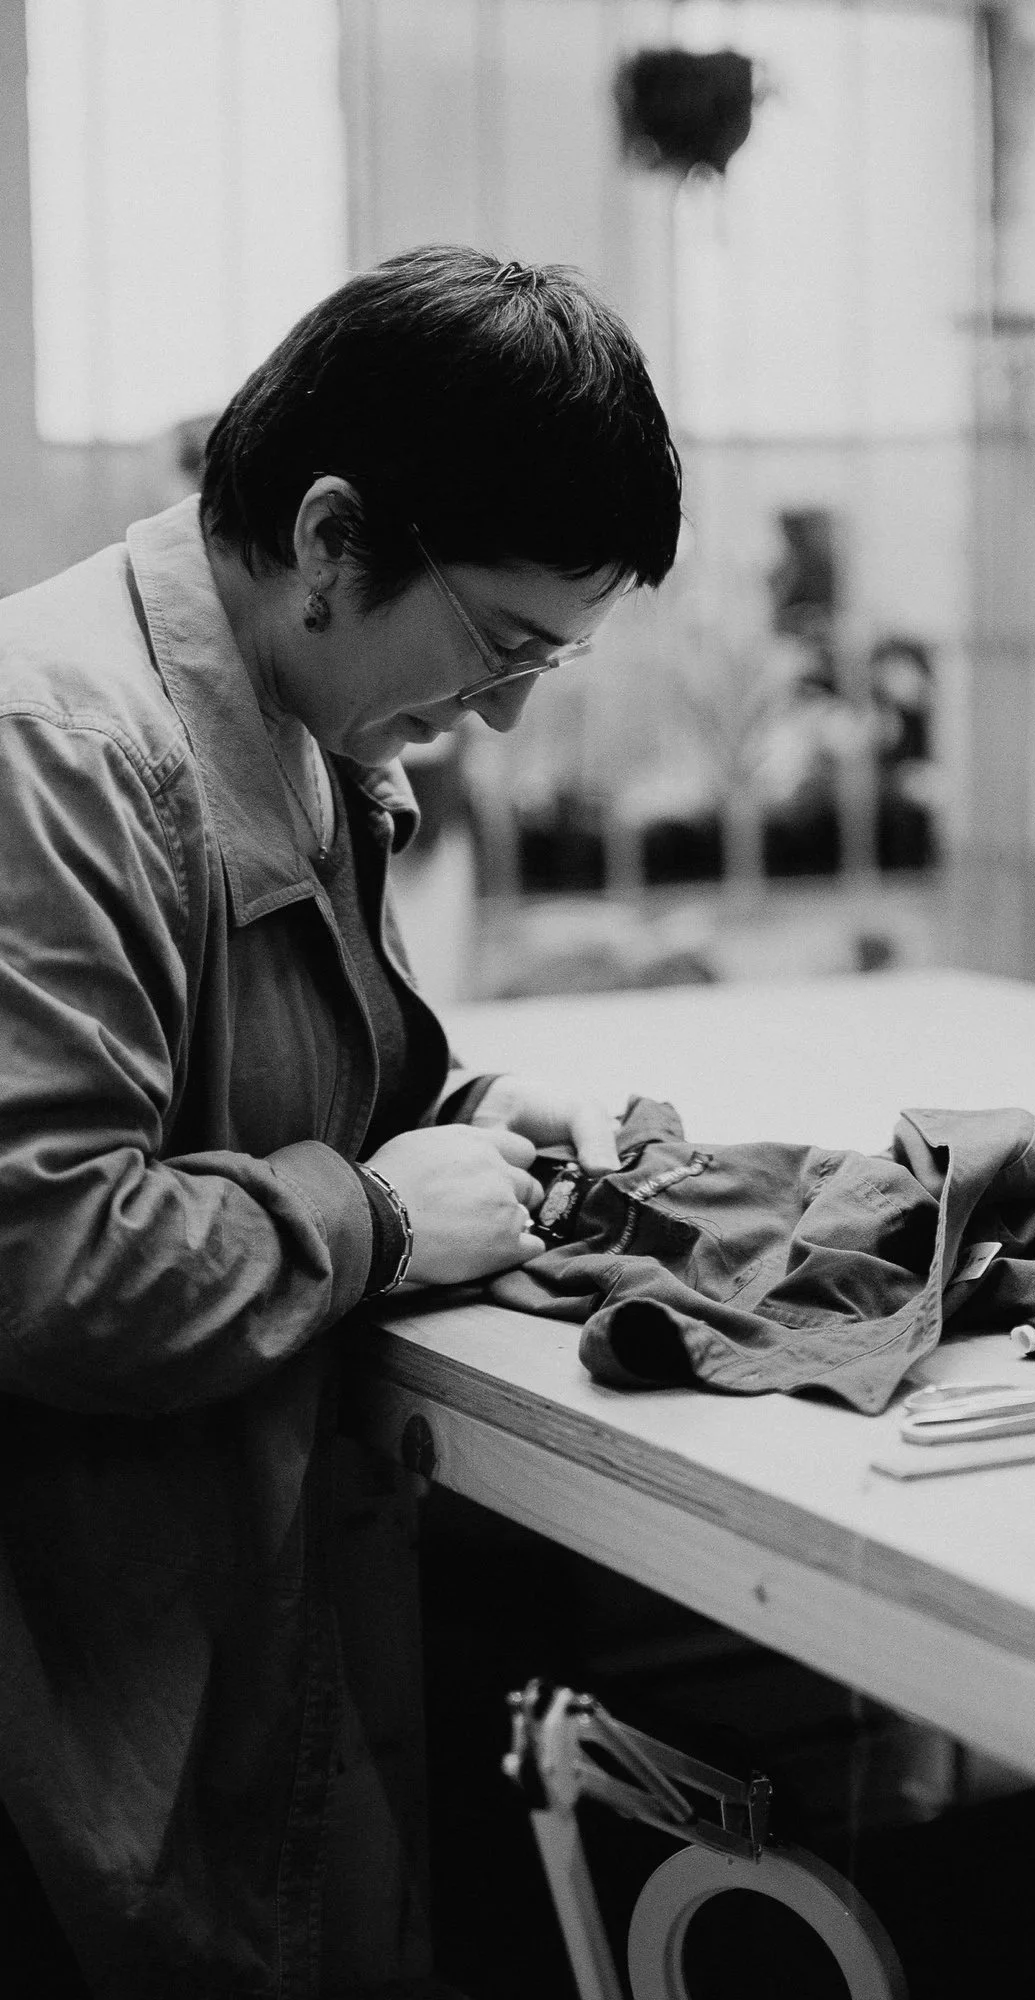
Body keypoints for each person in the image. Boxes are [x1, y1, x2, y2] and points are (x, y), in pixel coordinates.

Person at [0, 246, 681, 1997]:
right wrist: (375, 1220)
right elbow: (45, 1258)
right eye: (503, 643)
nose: (511, 712)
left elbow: (247, 1073)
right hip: (88, 1679)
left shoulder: (291, 709)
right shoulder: (58, 753)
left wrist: (454, 1110)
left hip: (249, 1598)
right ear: (328, 538)